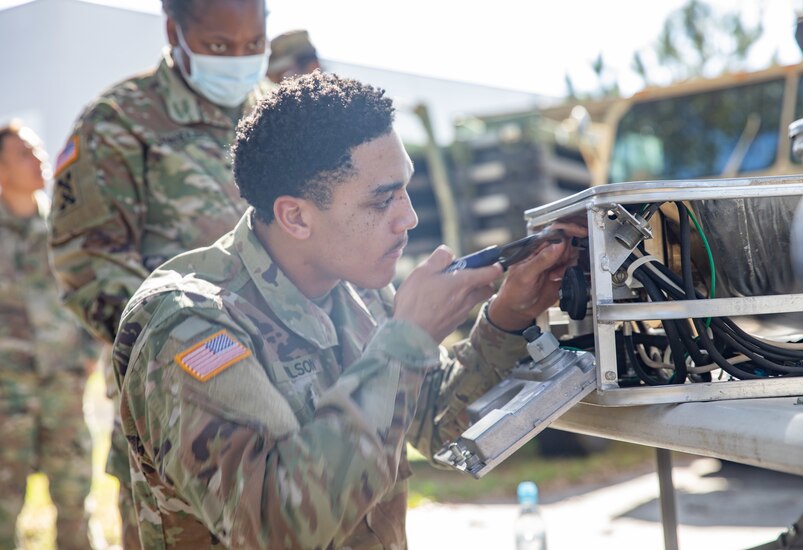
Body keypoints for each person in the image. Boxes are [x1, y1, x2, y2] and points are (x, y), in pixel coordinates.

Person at [112, 71, 586, 549]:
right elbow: (278, 527)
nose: (408, 218)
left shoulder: (357, 292)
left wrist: (507, 317)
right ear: (295, 216)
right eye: (382, 201)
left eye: (404, 190)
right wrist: (407, 340)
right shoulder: (188, 325)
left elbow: (437, 426)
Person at [47, 0, 272, 547]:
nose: (239, 59)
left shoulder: (273, 116)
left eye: (253, 44)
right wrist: (206, 351)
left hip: (291, 405)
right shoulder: (119, 122)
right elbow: (89, 267)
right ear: (175, 31)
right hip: (177, 416)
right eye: (220, 46)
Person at [0, 122, 98, 550]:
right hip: (7, 388)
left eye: (38, 148)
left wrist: (90, 354)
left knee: (75, 491)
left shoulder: (68, 230)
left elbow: (94, 292)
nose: (38, 157)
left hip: (64, 378)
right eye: (23, 153)